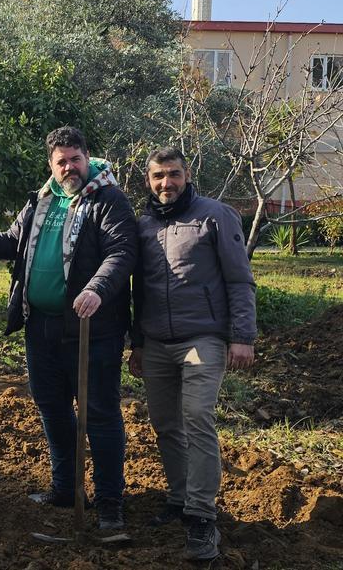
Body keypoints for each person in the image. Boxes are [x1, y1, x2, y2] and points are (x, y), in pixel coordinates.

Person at [0, 126, 137, 530]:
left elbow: (122, 252)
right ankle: (65, 488)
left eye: (76, 159)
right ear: (51, 165)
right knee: (52, 407)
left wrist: (97, 288)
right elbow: (11, 243)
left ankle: (111, 501)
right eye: (62, 161)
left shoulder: (108, 200)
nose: (70, 167)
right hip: (40, 326)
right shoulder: (41, 200)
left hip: (93, 329)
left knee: (99, 413)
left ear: (88, 158)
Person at [129, 147, 256, 561]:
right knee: (166, 424)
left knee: (197, 417)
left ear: (187, 174)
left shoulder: (215, 215)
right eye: (158, 177)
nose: (167, 183)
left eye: (174, 174)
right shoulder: (143, 225)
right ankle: (179, 499)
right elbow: (140, 291)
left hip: (202, 339)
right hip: (157, 344)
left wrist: (243, 336)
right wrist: (139, 344)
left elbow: (239, 279)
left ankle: (202, 517)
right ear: (148, 181)